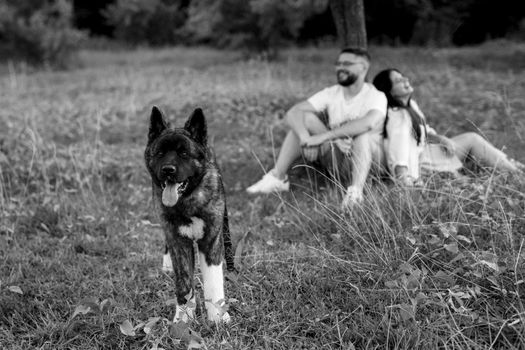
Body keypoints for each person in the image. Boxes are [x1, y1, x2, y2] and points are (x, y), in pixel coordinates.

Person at [246, 47, 388, 208]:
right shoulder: (332, 93)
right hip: (339, 159)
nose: (340, 67)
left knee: (363, 136)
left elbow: (368, 123)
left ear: (363, 67)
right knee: (303, 120)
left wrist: (323, 137)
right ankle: (278, 178)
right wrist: (306, 139)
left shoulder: (375, 95)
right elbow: (294, 112)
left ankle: (355, 192)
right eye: (338, 63)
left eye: (347, 63)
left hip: (370, 164)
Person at [372, 68, 523, 184]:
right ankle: (517, 173)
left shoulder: (410, 105)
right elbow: (399, 153)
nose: (405, 79)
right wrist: (405, 181)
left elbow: (424, 131)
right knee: (472, 140)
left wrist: (441, 139)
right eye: (398, 80)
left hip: (429, 153)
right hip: (423, 162)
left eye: (403, 76)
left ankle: (513, 167)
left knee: (472, 139)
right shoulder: (398, 116)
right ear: (389, 91)